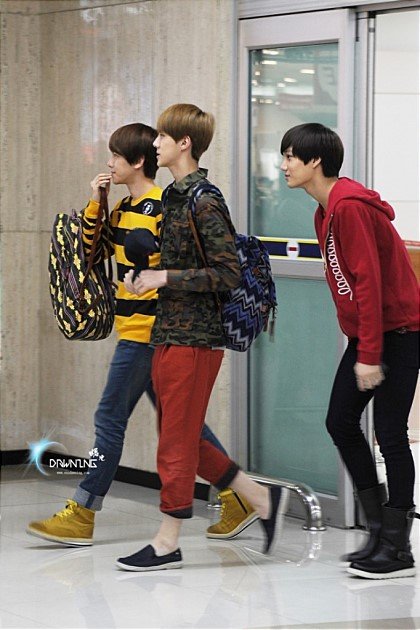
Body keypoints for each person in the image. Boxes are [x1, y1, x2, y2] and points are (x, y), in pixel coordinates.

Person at [26, 122, 250, 546]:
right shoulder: (121, 207)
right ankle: (237, 494)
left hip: (150, 332)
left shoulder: (161, 206)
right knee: (183, 427)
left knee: (109, 417)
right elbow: (91, 254)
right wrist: (96, 203)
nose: (109, 163)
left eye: (115, 155)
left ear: (138, 161)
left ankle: (83, 511)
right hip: (132, 327)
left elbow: (176, 265)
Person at [117, 103, 287, 571]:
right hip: (168, 330)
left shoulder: (205, 200)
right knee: (180, 436)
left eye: (162, 136)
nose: (155, 143)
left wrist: (165, 277)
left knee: (175, 441)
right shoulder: (174, 197)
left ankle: (167, 541)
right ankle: (259, 498)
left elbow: (227, 273)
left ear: (184, 143)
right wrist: (147, 276)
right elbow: (179, 263)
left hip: (196, 338)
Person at [280, 122, 419, 580]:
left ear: (315, 160)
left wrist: (369, 354)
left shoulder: (349, 209)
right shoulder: (326, 212)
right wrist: (362, 344)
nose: (284, 166)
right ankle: (378, 529)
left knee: (391, 434)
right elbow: (351, 285)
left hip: (400, 331)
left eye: (290, 156)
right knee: (340, 421)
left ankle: (398, 548)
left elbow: (370, 284)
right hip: (373, 334)